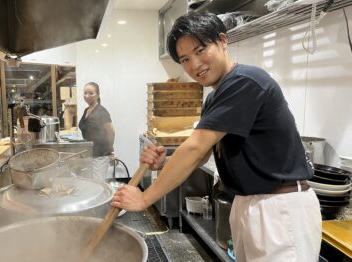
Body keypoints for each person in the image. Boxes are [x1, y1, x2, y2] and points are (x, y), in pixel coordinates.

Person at [111, 12, 321, 262]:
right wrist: (166, 161)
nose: (195, 65)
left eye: (201, 50)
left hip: (279, 207)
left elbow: (195, 149)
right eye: (185, 59)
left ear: (222, 41)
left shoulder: (244, 81)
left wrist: (145, 198)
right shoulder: (215, 96)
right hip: (250, 204)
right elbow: (204, 153)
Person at [78, 82, 115, 181]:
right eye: (85, 93)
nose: (87, 96)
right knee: (90, 182)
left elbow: (111, 132)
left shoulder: (101, 111)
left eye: (91, 93)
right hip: (90, 152)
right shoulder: (87, 110)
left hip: (100, 154)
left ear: (98, 95)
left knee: (98, 183)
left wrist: (111, 150)